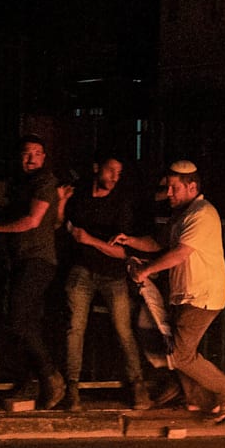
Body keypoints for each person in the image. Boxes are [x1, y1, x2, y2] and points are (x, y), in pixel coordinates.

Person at [111, 160, 225, 422]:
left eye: (173, 188)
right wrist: (130, 240)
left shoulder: (201, 214)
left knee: (180, 355)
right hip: (186, 294)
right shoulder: (182, 214)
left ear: (191, 186)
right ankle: (197, 400)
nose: (168, 194)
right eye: (167, 188)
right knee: (177, 350)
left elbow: (180, 254)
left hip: (202, 295)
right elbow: (157, 243)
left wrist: (146, 271)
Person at [56, 156, 152, 410]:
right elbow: (63, 225)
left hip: (112, 273)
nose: (114, 177)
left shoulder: (121, 204)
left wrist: (90, 240)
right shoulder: (81, 197)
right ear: (97, 168)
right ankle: (72, 389)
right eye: (111, 170)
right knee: (74, 328)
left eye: (119, 173)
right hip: (82, 269)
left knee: (123, 329)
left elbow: (123, 252)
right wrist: (63, 202)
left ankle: (138, 385)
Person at [0, 134, 66, 409]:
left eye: (37, 153)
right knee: (24, 321)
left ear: (44, 157)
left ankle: (51, 377)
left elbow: (33, 220)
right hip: (21, 259)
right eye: (27, 153)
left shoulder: (44, 182)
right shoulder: (21, 183)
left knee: (18, 319)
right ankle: (30, 381)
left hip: (37, 260)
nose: (31, 158)